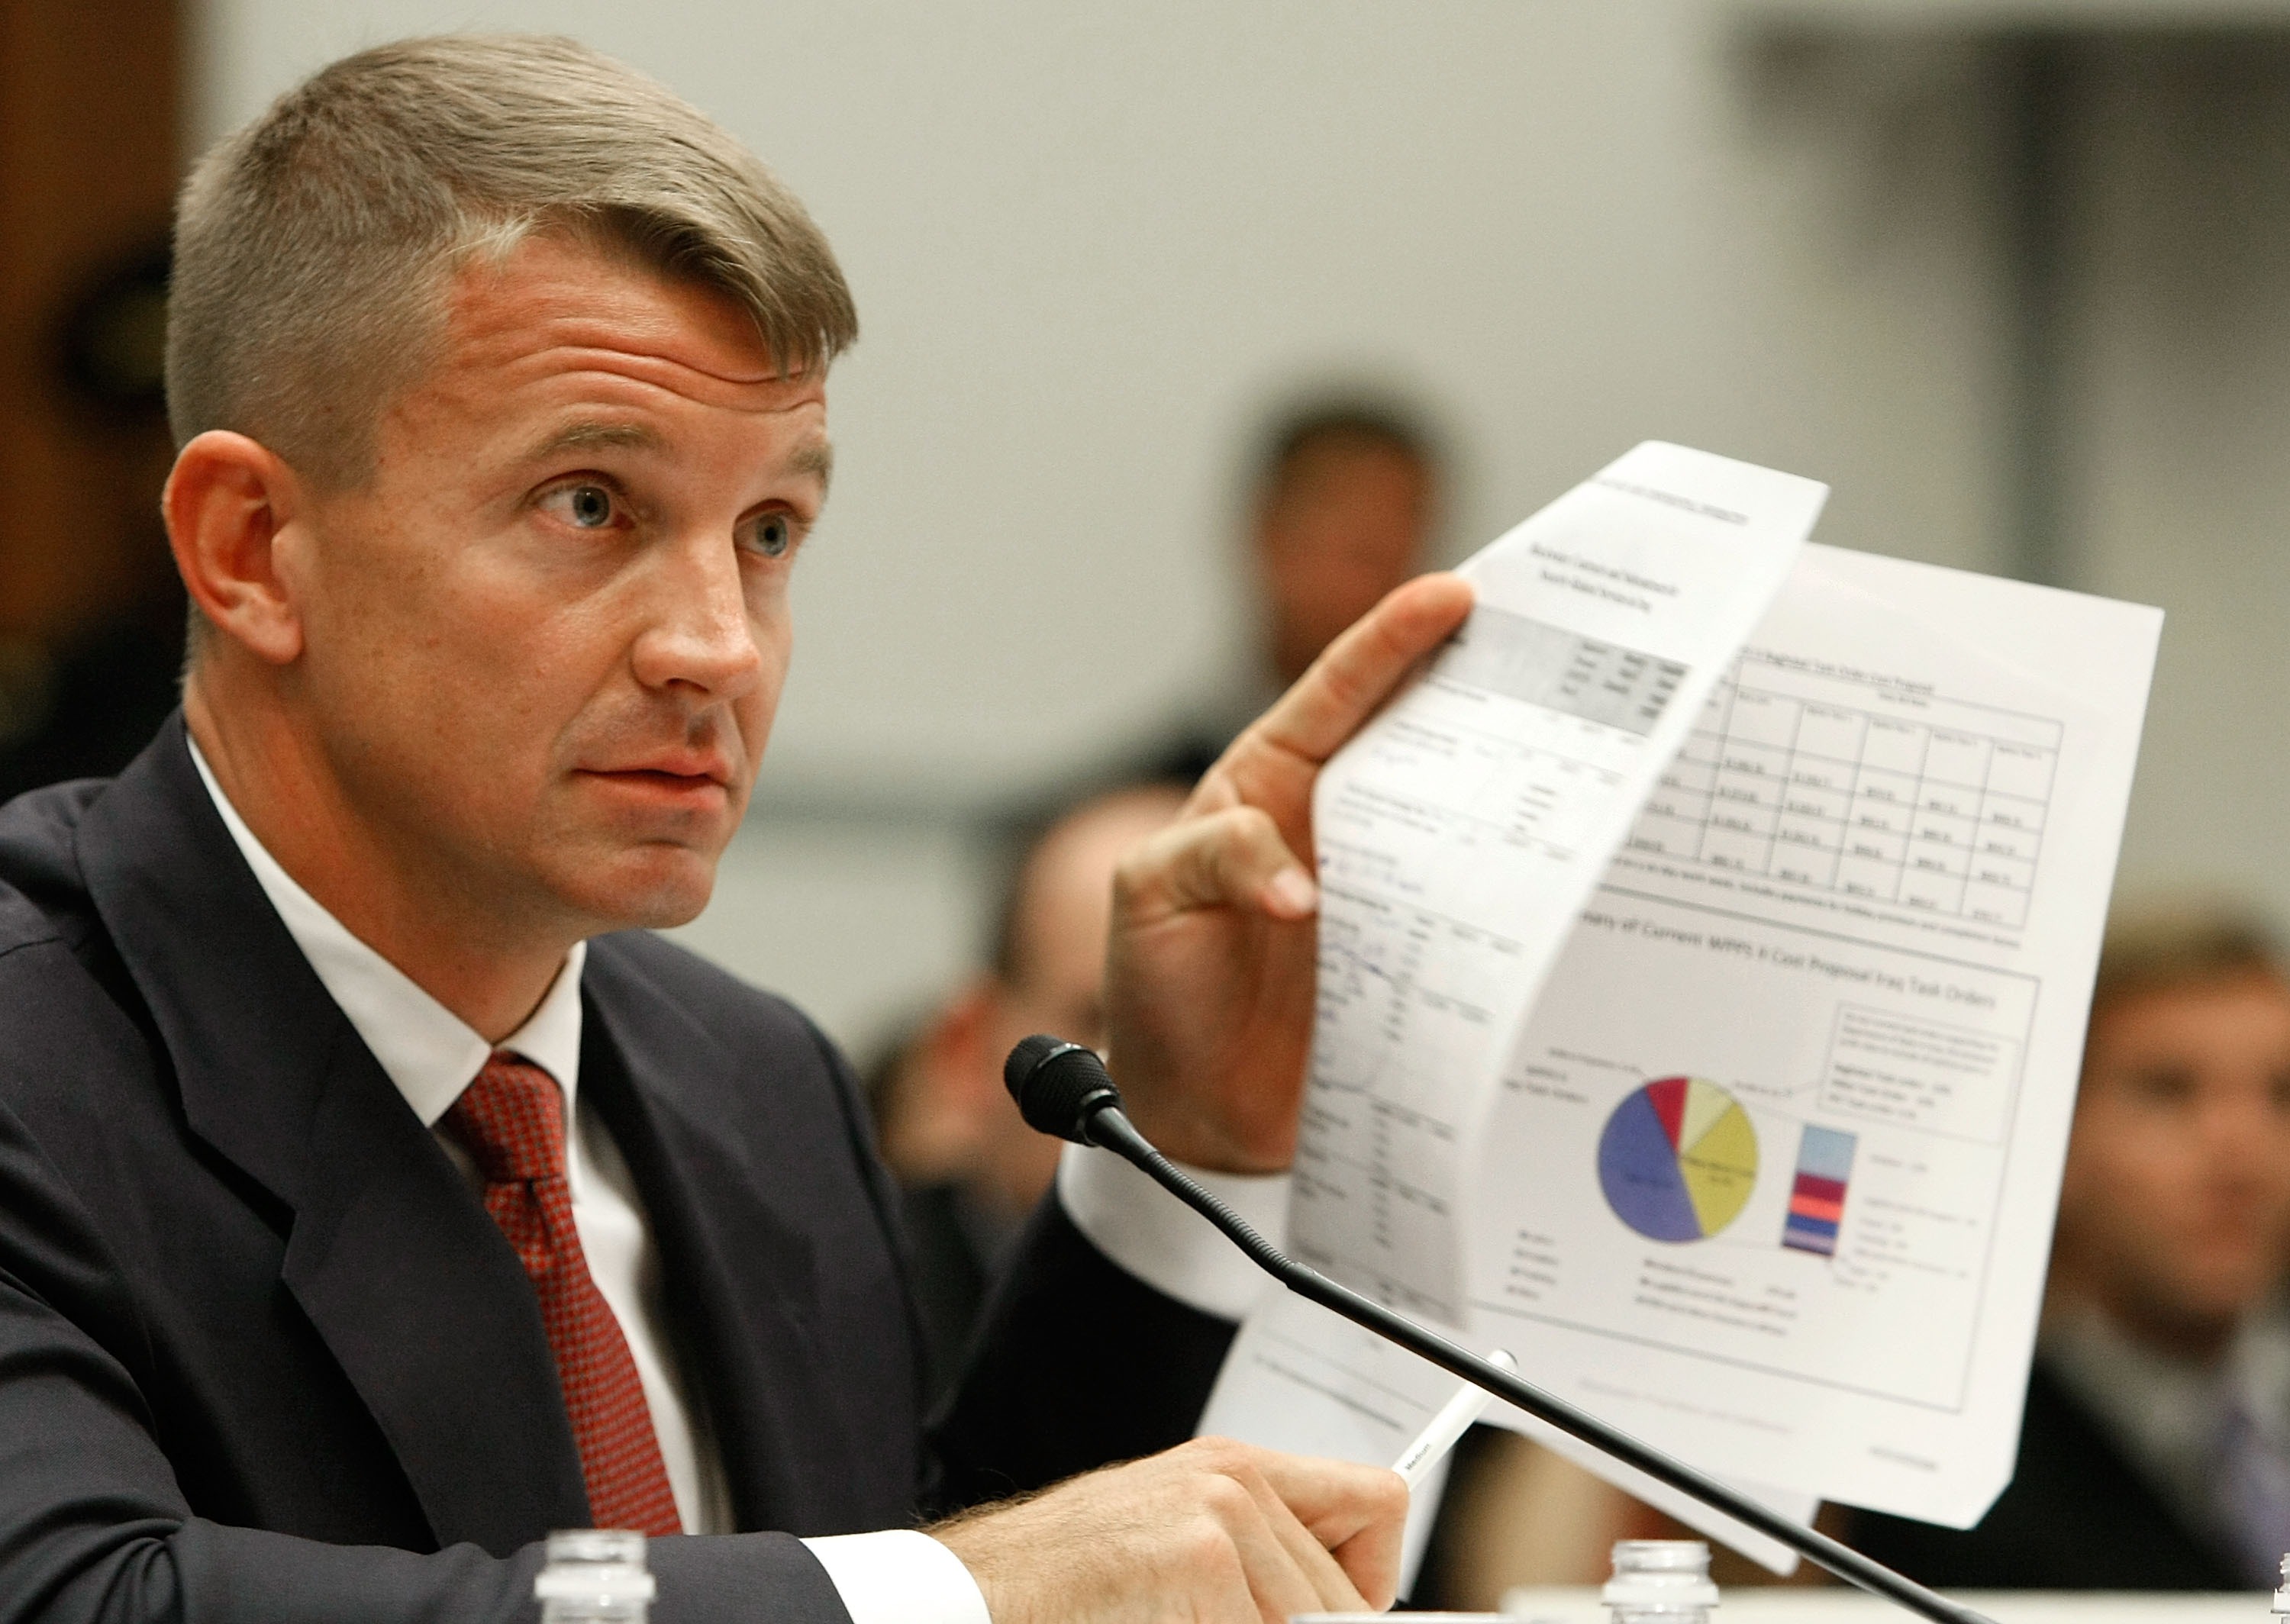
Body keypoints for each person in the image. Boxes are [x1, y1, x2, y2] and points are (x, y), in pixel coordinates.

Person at [0, 35, 1479, 1624]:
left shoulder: (753, 1085)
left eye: (770, 530)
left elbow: (955, 1563)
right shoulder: (35, 1053)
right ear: (253, 548)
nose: (719, 643)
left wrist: (1184, 1144)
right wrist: (948, 1585)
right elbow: (83, 1597)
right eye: (593, 503)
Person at [1850, 905, 2290, 1589]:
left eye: (2282, 1096)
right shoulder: (1950, 1484)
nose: (2241, 1151)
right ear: (2054, 1137)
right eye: (2168, 1091)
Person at [872, 781, 1189, 1400]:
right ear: (971, 1054)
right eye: (1108, 1026)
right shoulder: (840, 1308)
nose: (1182, 1088)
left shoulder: (1351, 1314)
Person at [1157, 398, 1443, 783]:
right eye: (1358, 550)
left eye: (1403, 547)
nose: (1374, 583)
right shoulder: (1132, 802)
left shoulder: (1448, 781)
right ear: (1268, 536)